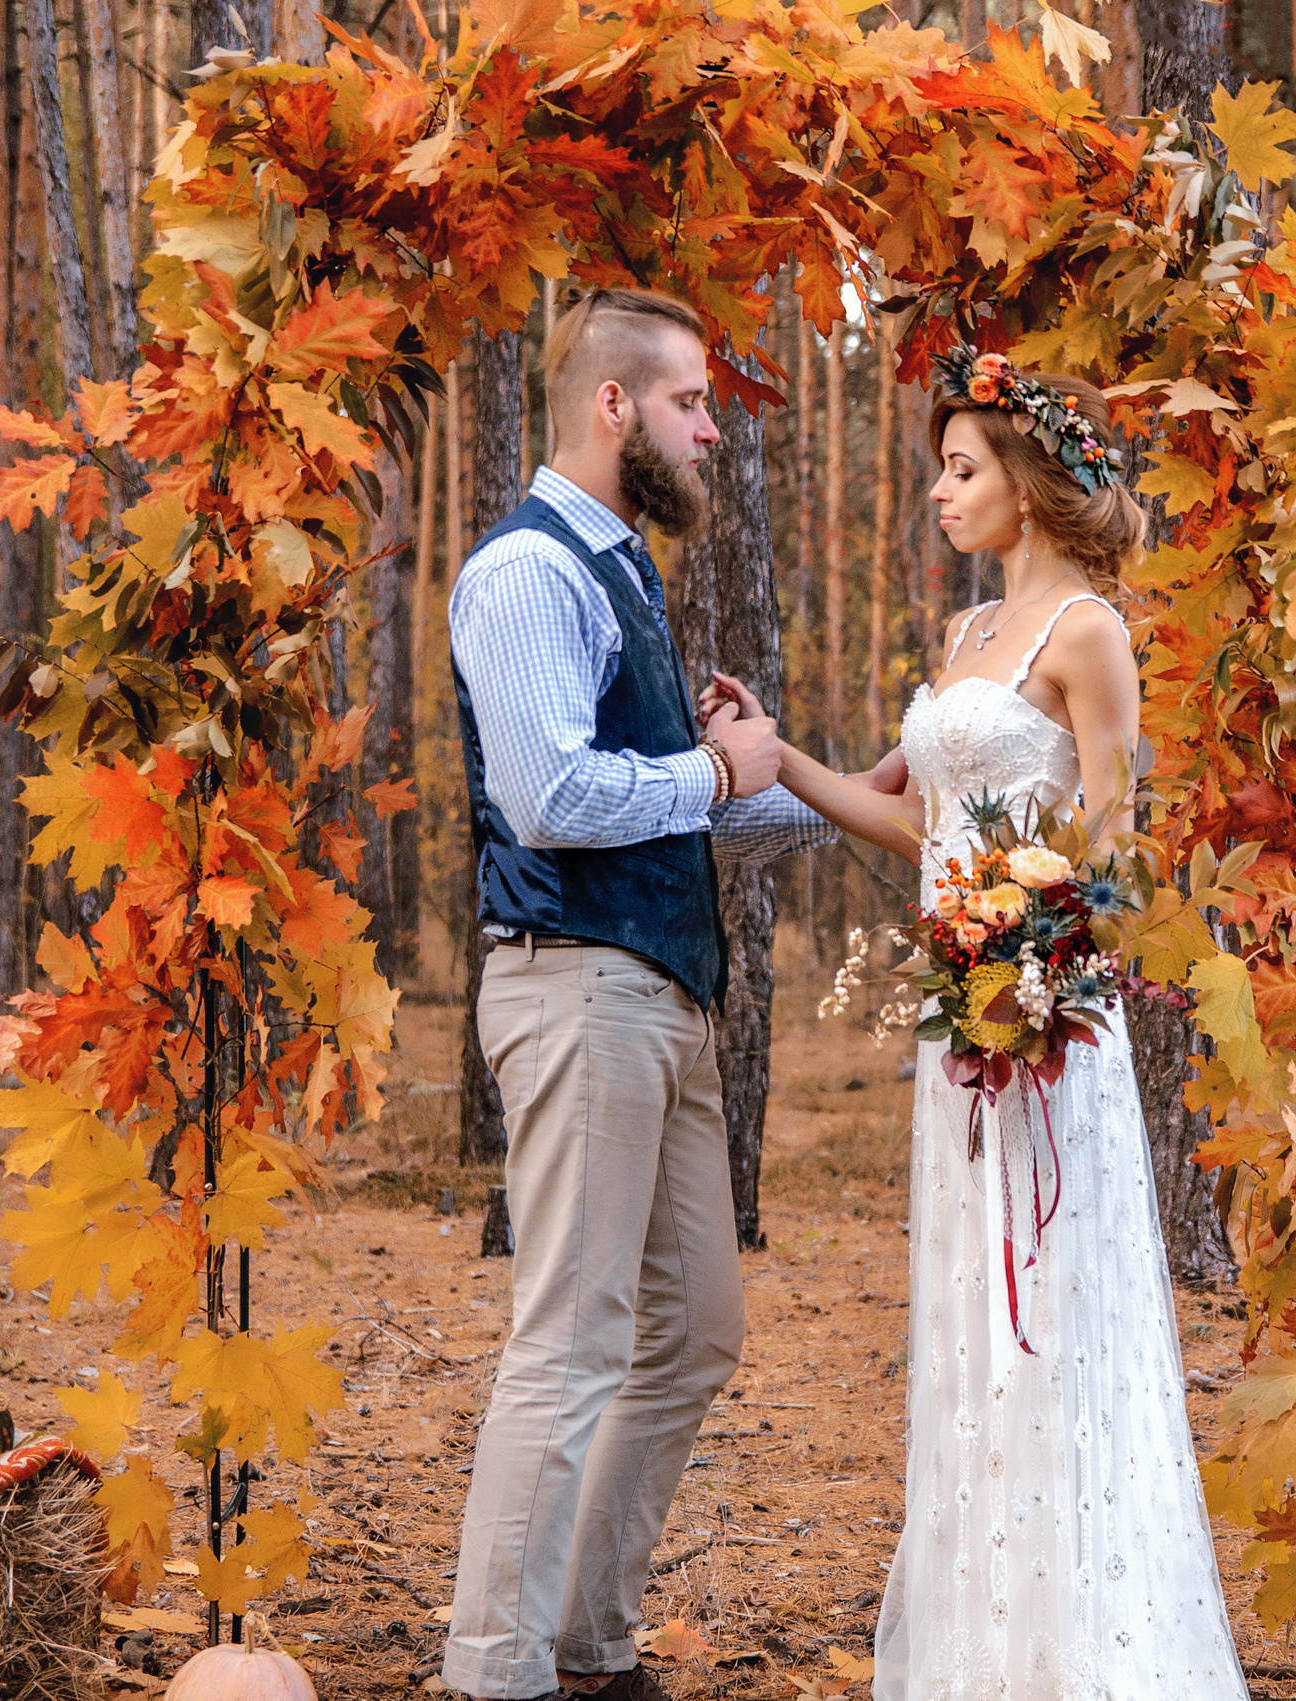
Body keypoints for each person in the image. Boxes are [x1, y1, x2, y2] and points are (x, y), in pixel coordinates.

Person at [699, 348, 1252, 1699]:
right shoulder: (961, 643)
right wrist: (789, 766)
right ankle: (982, 1652)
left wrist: (1041, 959)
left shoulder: (1090, 634)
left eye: (962, 469)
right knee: (971, 1336)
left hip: (1053, 1027)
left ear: (1032, 485)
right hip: (960, 1033)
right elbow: (923, 827)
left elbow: (1116, 843)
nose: (939, 493)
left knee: (1056, 1325)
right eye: (940, 470)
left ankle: (1088, 1659)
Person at [442, 287, 884, 1701]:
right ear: (614, 405)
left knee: (693, 1327)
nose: (712, 430)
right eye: (693, 403)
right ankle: (499, 1672)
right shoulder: (528, 574)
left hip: (665, 1003)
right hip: (576, 992)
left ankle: (587, 1642)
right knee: (569, 1338)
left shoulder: (626, 576)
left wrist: (838, 793)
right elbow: (553, 797)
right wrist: (711, 772)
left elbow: (684, 810)